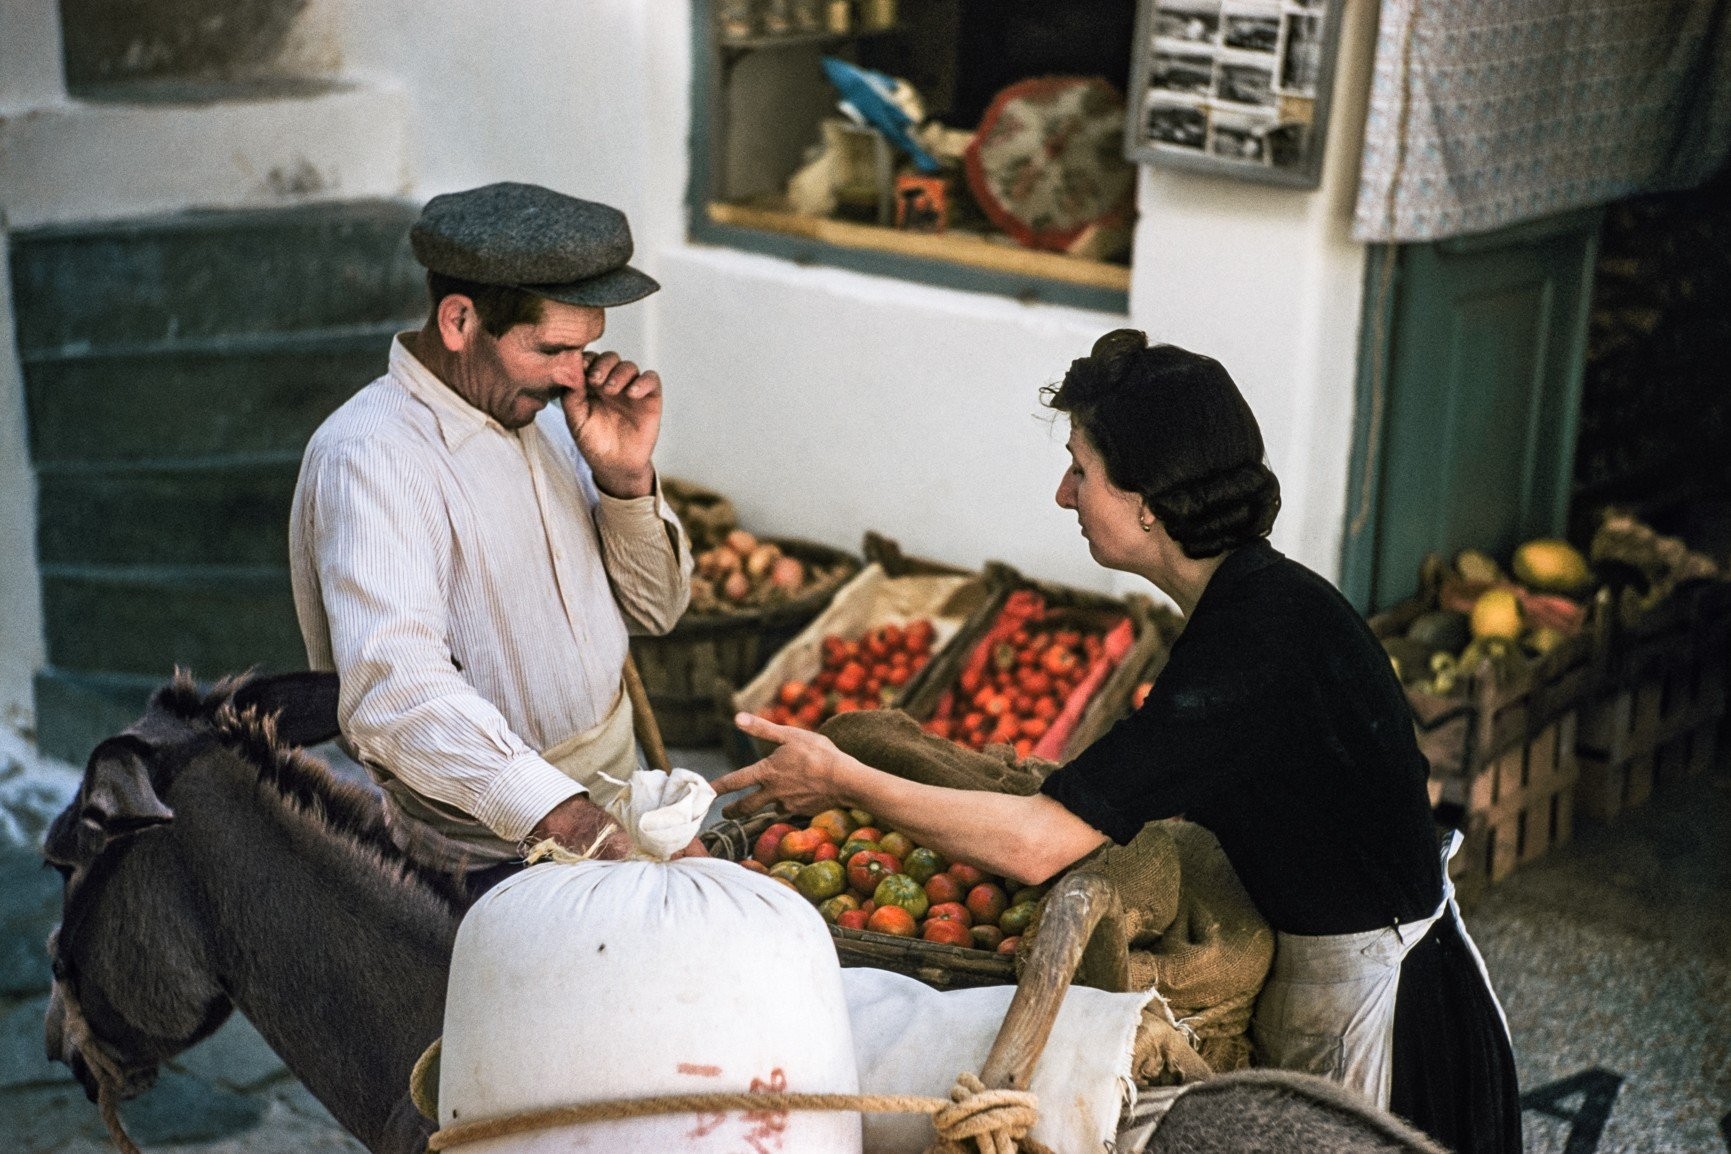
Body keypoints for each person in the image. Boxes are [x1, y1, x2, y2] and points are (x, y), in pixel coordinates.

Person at [713, 331, 1521, 1153]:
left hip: (1367, 1000)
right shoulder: (1264, 602)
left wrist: (845, 778)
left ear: (1148, 500)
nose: (1064, 494)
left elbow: (1035, 845)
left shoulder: (1250, 643)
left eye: (1080, 469)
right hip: (1359, 962)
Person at [289, 182, 697, 897]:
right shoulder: (370, 457)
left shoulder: (550, 416)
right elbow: (396, 692)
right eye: (551, 349)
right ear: (457, 320)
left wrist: (626, 480)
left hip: (620, 812)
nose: (576, 376)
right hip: (493, 862)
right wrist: (567, 821)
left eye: (586, 348)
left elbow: (659, 611)